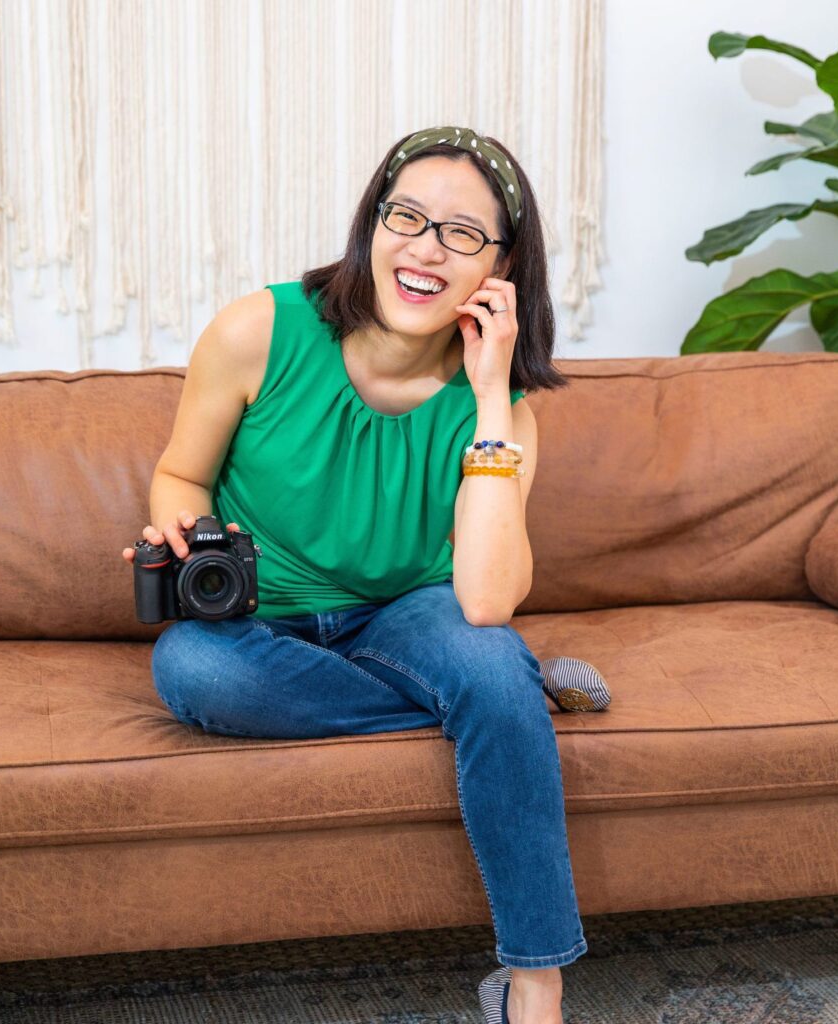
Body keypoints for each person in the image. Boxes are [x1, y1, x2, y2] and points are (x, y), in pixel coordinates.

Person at [122, 126, 600, 1024]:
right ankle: (512, 701)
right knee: (191, 667)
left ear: (502, 264)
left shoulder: (504, 410)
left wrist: (494, 396)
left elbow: (488, 599)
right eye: (407, 215)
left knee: (489, 653)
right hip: (265, 615)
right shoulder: (259, 330)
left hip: (412, 612)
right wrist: (181, 524)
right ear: (371, 224)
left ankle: (536, 985)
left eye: (463, 233)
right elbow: (182, 472)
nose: (425, 248)